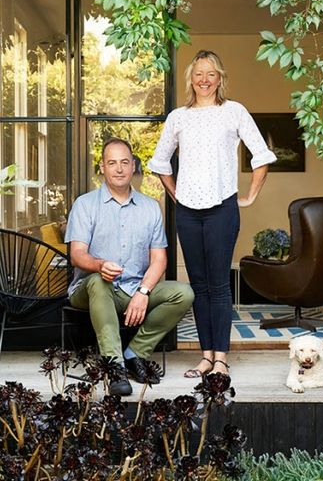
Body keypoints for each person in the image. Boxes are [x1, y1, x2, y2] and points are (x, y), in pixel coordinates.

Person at [148, 49, 277, 378]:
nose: (204, 80)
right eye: (199, 74)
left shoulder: (234, 112)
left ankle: (221, 358)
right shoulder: (178, 116)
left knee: (219, 285)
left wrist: (248, 196)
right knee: (199, 285)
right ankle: (206, 356)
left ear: (220, 79)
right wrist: (176, 194)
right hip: (188, 213)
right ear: (191, 78)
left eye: (211, 74)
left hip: (222, 208)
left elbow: (261, 156)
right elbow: (160, 162)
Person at [65, 137, 194, 396]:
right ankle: (115, 367)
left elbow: (159, 259)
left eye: (125, 162)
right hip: (90, 290)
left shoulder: (150, 207)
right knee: (99, 281)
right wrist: (99, 265)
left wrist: (143, 292)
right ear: (102, 167)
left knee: (184, 293)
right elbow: (76, 255)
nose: (119, 168)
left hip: (134, 288)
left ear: (134, 165)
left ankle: (135, 354)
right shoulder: (85, 205)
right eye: (112, 163)